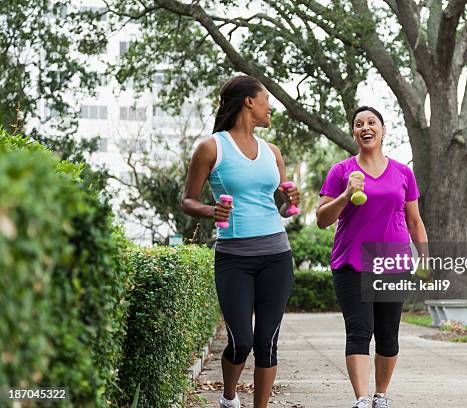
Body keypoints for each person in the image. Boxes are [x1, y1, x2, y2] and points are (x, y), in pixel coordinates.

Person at [181, 75, 300, 408]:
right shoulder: (211, 147)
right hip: (234, 256)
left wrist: (292, 200)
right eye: (266, 100)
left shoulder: (272, 151)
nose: (270, 107)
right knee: (241, 341)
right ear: (249, 101)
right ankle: (229, 397)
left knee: (267, 342)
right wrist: (211, 209)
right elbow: (187, 200)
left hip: (276, 253)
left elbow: (282, 208)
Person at [316, 106, 428, 408]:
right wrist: (345, 194)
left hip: (393, 263)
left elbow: (415, 221)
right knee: (359, 331)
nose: (365, 127)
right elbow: (322, 219)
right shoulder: (341, 172)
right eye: (358, 124)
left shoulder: (404, 172)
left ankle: (381, 395)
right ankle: (362, 399)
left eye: (371, 122)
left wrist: (426, 259)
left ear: (383, 129)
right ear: (354, 133)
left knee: (388, 336)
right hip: (351, 263)